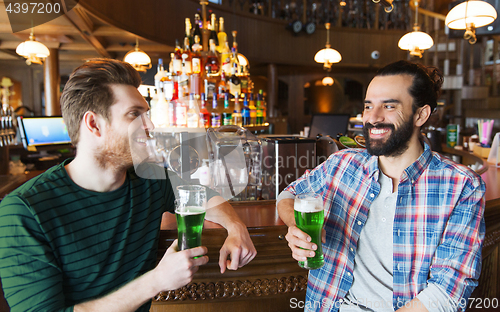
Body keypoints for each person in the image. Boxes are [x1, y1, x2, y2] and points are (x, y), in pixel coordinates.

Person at [0, 59, 256, 312]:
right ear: (93, 124)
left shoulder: (149, 180)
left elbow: (203, 196)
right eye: (135, 114)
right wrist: (156, 281)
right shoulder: (23, 212)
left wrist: (236, 226)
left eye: (147, 115)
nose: (150, 126)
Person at [277, 60, 485, 312]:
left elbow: (450, 289)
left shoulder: (462, 185)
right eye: (368, 106)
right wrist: (294, 225)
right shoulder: (342, 164)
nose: (372, 118)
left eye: (388, 106)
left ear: (420, 115)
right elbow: (289, 194)